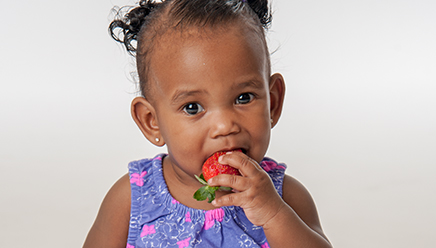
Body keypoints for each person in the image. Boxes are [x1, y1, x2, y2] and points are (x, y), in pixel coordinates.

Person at [83, 0, 332, 247]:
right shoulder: (130, 200)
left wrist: (274, 215)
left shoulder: (285, 198)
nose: (225, 126)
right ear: (152, 122)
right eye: (193, 108)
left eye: (243, 98)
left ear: (272, 103)